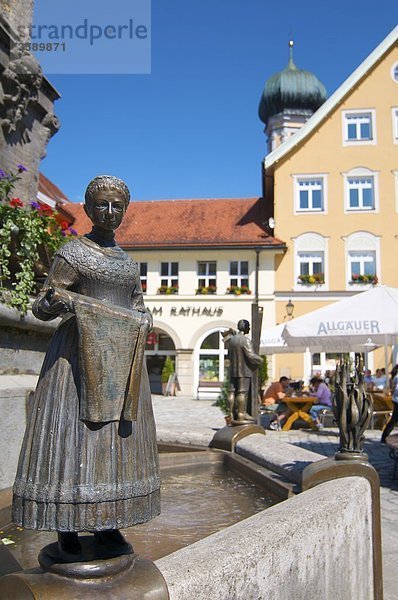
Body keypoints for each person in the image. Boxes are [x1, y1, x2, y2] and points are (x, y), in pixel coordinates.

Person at [12, 175, 160, 557]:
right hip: (75, 361)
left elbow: (138, 305)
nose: (109, 212)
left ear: (125, 211)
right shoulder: (73, 252)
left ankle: (109, 524)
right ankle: (67, 529)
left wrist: (145, 318)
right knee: (76, 440)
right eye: (101, 205)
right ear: (88, 208)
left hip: (120, 360)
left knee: (114, 444)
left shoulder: (127, 264)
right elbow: (42, 305)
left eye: (117, 206)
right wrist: (55, 303)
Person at [227, 319, 262, 422]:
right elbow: (250, 355)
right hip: (244, 370)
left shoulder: (232, 340)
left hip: (233, 370)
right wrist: (260, 360)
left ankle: (230, 414)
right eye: (249, 326)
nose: (250, 328)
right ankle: (241, 414)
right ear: (246, 327)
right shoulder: (245, 340)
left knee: (232, 392)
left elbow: (229, 355)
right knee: (242, 392)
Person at [381, 365, 398, 443]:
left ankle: (384, 437)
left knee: (394, 420)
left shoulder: (395, 377)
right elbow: (396, 389)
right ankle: (384, 437)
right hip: (397, 400)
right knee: (394, 420)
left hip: (395, 400)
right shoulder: (397, 377)